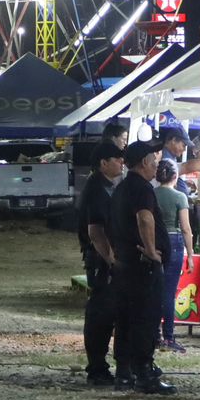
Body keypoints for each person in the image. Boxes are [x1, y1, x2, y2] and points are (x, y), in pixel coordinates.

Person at [107, 141, 174, 394]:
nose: (157, 163)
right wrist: (150, 249)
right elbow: (145, 218)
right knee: (145, 319)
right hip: (142, 266)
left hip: (124, 263)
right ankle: (144, 374)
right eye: (154, 159)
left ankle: (124, 373)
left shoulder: (122, 187)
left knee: (125, 319)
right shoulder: (142, 188)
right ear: (144, 162)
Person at [77, 142, 125, 386]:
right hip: (100, 260)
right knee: (101, 314)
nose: (121, 163)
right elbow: (95, 231)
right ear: (103, 163)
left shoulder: (106, 186)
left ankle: (100, 365)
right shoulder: (97, 189)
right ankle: (97, 367)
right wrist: (111, 260)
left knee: (106, 312)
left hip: (103, 258)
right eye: (117, 159)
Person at [154, 159, 193, 355]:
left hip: (154, 241)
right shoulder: (180, 197)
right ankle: (168, 337)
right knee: (169, 293)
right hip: (174, 242)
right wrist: (191, 256)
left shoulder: (151, 194)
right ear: (175, 176)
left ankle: (154, 335)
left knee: (153, 290)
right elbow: (186, 228)